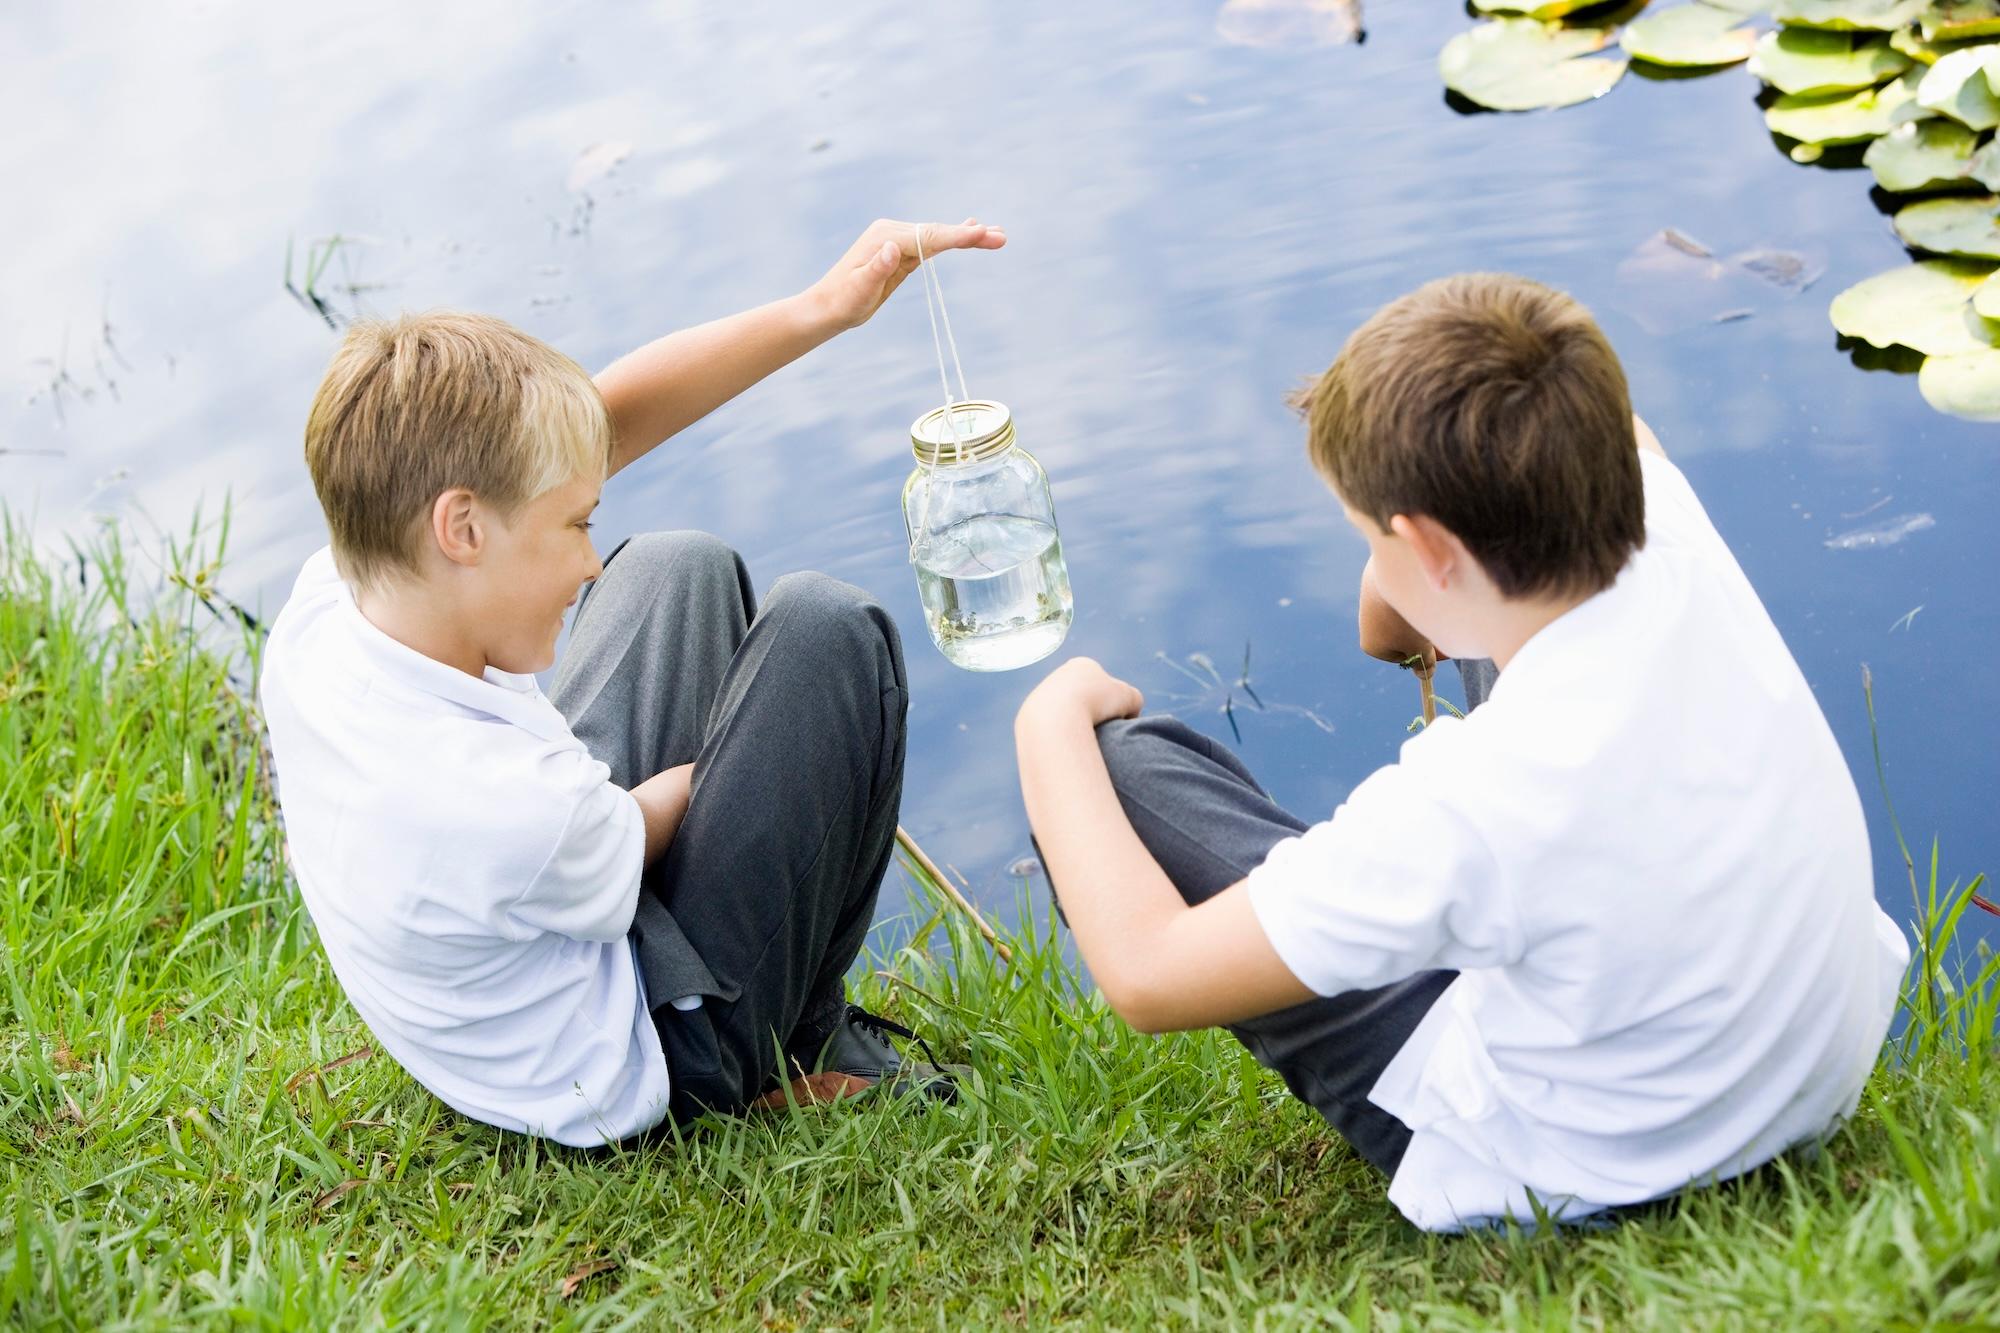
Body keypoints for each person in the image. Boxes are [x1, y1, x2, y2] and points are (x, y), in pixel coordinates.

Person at [1013, 273, 1908, 1232]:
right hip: (1805, 1078)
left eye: (1367, 534)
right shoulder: (1661, 518)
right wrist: (1398, 556)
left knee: (1114, 771)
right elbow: (1573, 465)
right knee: (1507, 615)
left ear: (1431, 545)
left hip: (1602, 1166)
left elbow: (1147, 976)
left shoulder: (1479, 796)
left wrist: (1049, 717)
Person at [260, 218, 1003, 1146]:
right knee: (828, 638)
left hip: (527, 940)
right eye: (575, 527)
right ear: (463, 530)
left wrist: (824, 309)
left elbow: (600, 426)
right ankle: (793, 1044)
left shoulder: (331, 599)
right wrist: (755, 756)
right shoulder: (494, 806)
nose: (590, 566)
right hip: (635, 1057)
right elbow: (617, 825)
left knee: (673, 564)